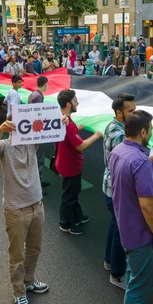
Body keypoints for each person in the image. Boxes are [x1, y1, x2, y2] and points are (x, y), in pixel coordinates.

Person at [0, 119, 54, 304]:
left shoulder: (31, 143)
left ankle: (29, 280)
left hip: (37, 206)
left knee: (34, 249)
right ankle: (18, 292)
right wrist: (0, 129)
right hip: (16, 210)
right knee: (16, 255)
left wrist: (62, 120)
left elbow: (51, 129)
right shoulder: (5, 148)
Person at [109, 110, 153, 304]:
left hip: (126, 227)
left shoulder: (117, 152)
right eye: (150, 129)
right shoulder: (141, 161)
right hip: (141, 236)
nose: (151, 133)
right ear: (143, 132)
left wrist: (151, 179)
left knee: (133, 276)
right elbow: (147, 205)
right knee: (139, 289)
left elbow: (125, 181)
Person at [56, 89, 103, 235]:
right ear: (69, 104)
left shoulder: (63, 119)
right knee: (69, 196)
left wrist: (78, 127)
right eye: (75, 101)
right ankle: (66, 223)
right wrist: (95, 136)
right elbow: (80, 146)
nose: (78, 103)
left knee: (73, 192)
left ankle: (77, 216)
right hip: (70, 166)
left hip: (66, 163)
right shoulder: (68, 124)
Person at [102, 94, 137, 290]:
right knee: (120, 232)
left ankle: (109, 261)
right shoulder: (120, 135)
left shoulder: (114, 127)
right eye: (131, 111)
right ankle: (117, 274)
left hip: (110, 188)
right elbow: (127, 164)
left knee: (115, 226)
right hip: (117, 191)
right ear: (119, 112)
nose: (135, 113)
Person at [28, 76, 51, 189]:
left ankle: (37, 181)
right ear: (45, 84)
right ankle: (36, 184)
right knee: (38, 156)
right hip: (37, 130)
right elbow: (38, 114)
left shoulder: (33, 94)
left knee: (36, 155)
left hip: (34, 130)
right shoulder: (38, 96)